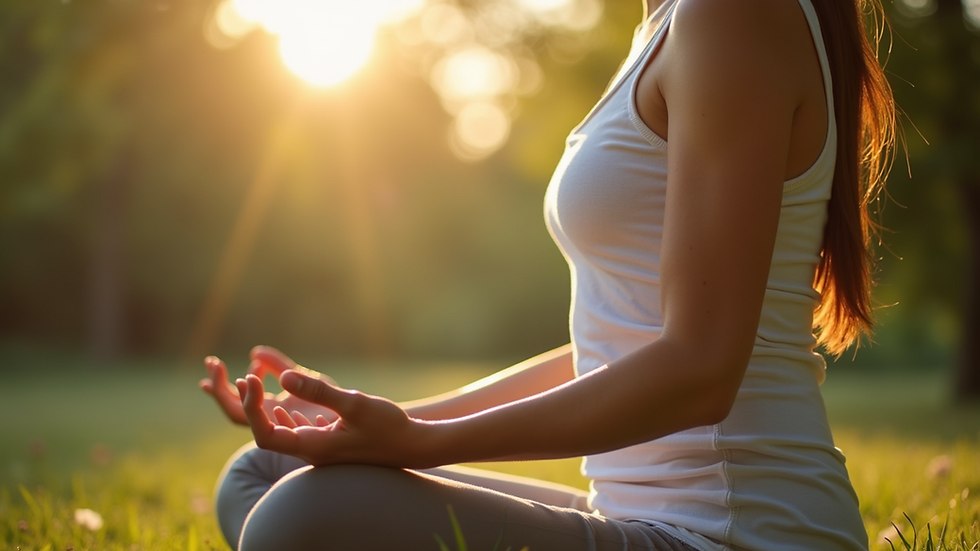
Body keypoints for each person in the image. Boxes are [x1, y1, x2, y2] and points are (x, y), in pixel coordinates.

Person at [200, 0, 895, 547]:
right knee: (265, 474)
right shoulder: (667, 25)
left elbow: (700, 366)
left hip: (734, 537)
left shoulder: (730, 15)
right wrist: (387, 420)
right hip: (631, 514)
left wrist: (423, 442)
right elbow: (613, 350)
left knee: (302, 517)